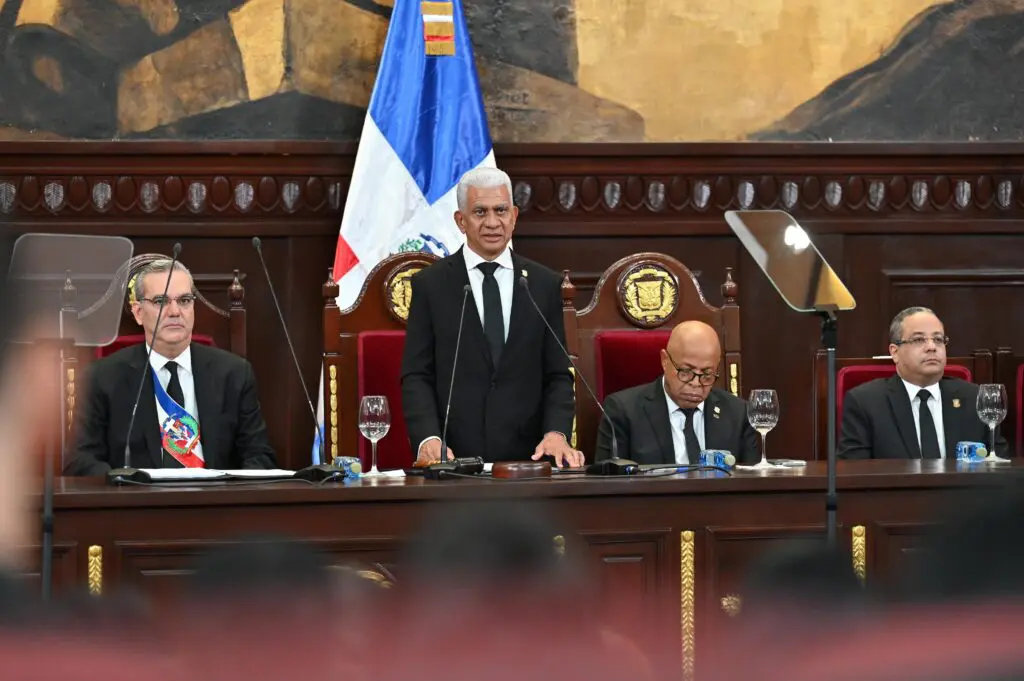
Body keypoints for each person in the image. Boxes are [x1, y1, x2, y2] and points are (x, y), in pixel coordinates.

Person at [401, 167, 581, 467]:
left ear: (514, 216)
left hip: (529, 461)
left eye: (500, 211)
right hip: (454, 461)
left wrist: (556, 432)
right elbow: (417, 374)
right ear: (461, 221)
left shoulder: (542, 284)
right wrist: (428, 438)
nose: (492, 223)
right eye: (480, 212)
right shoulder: (430, 286)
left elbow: (558, 375)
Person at [65, 259, 277, 475]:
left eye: (184, 300)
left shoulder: (234, 374)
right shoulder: (102, 378)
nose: (175, 311)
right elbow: (80, 461)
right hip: (138, 503)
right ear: (138, 312)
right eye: (160, 301)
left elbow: (259, 457)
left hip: (215, 503)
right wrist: (125, 489)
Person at [839, 306, 1009, 459]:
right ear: (895, 352)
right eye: (919, 340)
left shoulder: (973, 398)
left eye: (938, 339)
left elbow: (999, 466)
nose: (931, 347)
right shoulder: (865, 402)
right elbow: (855, 473)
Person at [594, 320, 759, 465]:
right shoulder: (622, 411)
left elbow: (751, 484)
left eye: (707, 374)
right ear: (665, 361)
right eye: (686, 372)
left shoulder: (738, 414)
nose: (696, 383)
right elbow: (609, 485)